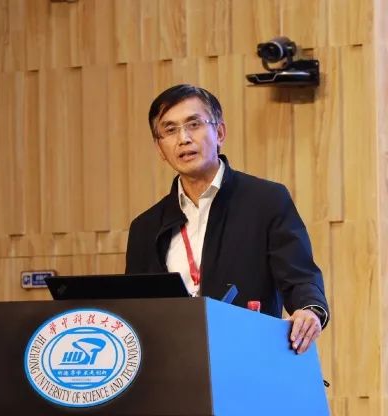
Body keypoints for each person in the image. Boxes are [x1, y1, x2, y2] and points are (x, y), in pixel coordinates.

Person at [125, 84, 329, 354]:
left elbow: (300, 277)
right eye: (170, 130)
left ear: (219, 132)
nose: (183, 139)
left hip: (248, 357)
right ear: (160, 149)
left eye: (194, 124)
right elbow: (135, 308)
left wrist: (309, 310)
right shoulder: (146, 227)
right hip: (175, 362)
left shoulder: (265, 201)